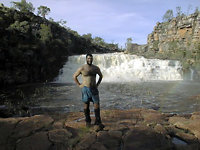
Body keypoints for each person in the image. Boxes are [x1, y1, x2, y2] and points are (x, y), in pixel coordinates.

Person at [73, 54, 104, 128]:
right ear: (86, 59)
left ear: (92, 59)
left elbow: (101, 76)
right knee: (86, 105)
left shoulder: (96, 68)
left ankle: (97, 120)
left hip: (94, 89)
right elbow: (74, 76)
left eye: (91, 58)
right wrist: (79, 85)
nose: (89, 60)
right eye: (88, 58)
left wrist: (97, 84)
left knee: (96, 105)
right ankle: (88, 120)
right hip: (85, 89)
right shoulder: (82, 68)